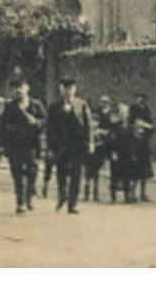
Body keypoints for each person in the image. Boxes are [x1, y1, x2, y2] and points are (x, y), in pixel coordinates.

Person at [0, 79, 47, 213]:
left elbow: (45, 121)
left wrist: (36, 122)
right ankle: (20, 202)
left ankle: (29, 197)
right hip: (15, 146)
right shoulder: (10, 107)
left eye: (21, 87)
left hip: (32, 145)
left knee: (32, 172)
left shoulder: (36, 104)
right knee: (17, 174)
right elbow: (2, 126)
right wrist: (3, 144)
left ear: (27, 88)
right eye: (15, 88)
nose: (18, 90)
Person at [47, 77, 94, 214]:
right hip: (61, 145)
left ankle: (73, 204)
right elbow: (50, 129)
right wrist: (50, 147)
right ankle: (62, 196)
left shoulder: (82, 104)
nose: (68, 92)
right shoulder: (54, 107)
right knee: (61, 173)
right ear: (61, 90)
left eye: (71, 89)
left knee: (76, 174)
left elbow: (88, 125)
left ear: (75, 90)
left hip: (77, 145)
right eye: (65, 89)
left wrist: (90, 142)